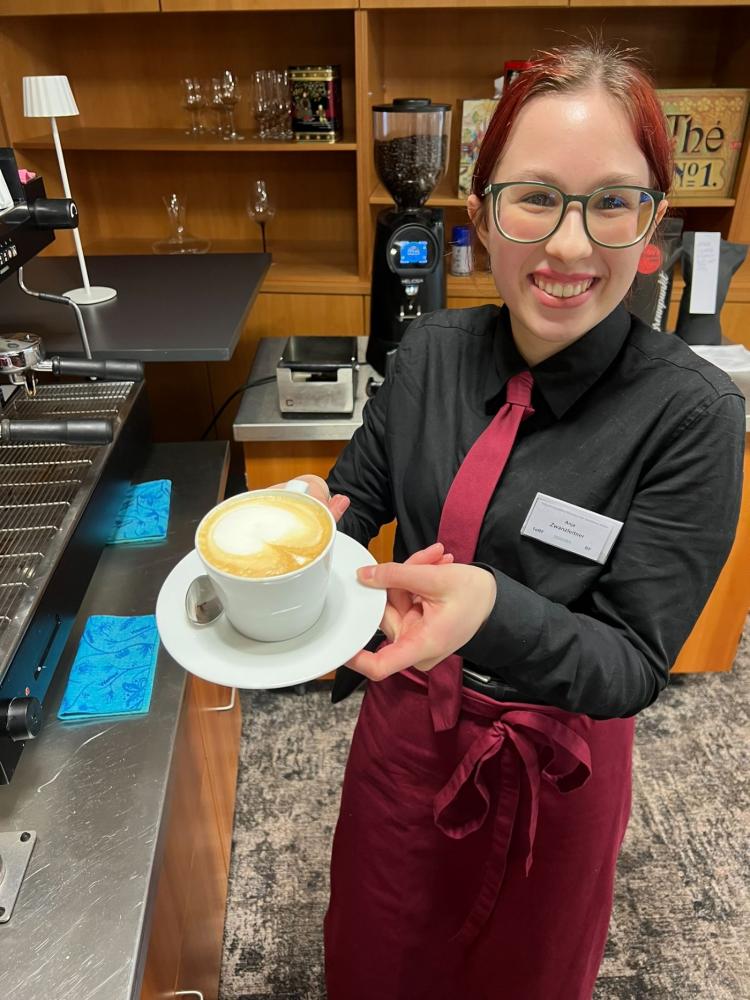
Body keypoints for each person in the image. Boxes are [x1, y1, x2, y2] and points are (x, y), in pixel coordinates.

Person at [292, 41, 745, 1000]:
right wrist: (306, 530)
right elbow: (354, 503)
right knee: (378, 955)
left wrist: (493, 611)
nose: (570, 246)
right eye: (535, 197)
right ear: (480, 214)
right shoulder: (429, 352)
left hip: (554, 764)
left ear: (651, 222)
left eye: (611, 202)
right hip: (405, 735)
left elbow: (632, 662)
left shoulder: (692, 415)